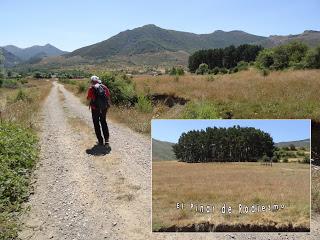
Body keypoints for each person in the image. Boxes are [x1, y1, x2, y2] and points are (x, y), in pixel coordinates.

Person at [87, 75, 111, 145]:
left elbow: (88, 98)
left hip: (95, 109)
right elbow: (108, 97)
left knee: (96, 124)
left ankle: (100, 141)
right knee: (103, 122)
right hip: (104, 108)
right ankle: (106, 140)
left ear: (92, 81)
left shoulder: (91, 88)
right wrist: (107, 106)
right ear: (98, 80)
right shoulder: (104, 87)